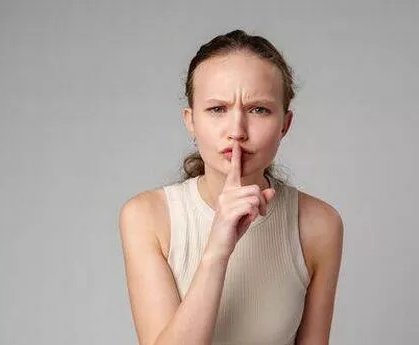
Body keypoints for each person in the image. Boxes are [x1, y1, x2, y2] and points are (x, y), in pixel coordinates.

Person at [118, 29, 344, 345]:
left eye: (259, 109)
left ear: (285, 124)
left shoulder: (319, 224)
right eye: (217, 109)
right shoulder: (147, 217)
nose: (236, 130)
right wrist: (218, 247)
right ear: (191, 120)